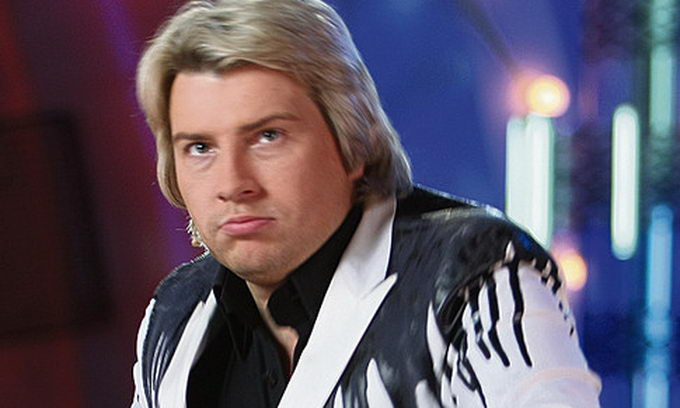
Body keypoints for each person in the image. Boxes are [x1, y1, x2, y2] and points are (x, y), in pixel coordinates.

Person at [131, 0, 601, 407]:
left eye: (268, 136)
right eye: (200, 148)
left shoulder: (476, 275)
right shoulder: (176, 311)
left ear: (351, 142)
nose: (233, 183)